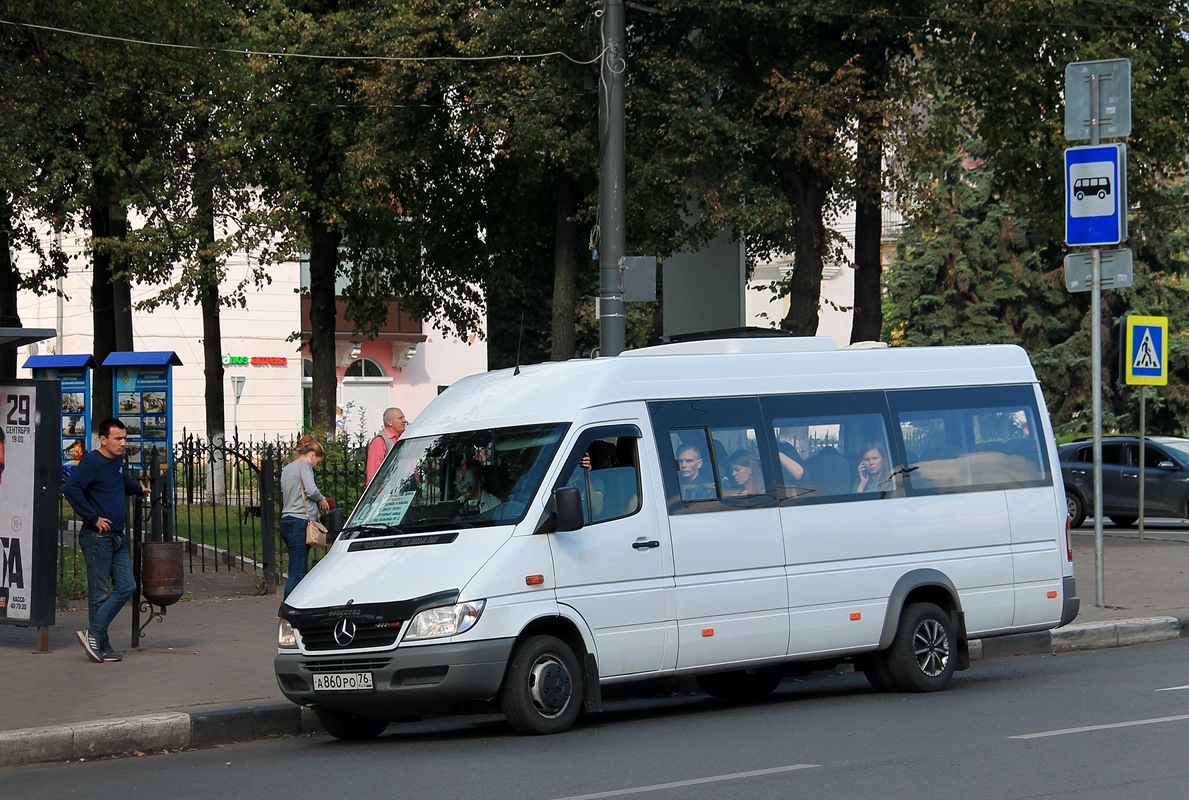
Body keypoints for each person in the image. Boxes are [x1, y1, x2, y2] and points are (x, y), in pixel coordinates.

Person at [62, 418, 151, 663]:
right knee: (99, 593)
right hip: (97, 537)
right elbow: (71, 489)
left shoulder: (117, 461)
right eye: (118, 439)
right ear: (103, 440)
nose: (123, 443)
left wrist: (137, 489)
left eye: (125, 438)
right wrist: (92, 518)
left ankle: (95, 635)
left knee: (127, 586)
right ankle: (100, 643)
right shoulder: (92, 462)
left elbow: (120, 480)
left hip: (118, 536)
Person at [280, 435, 330, 599]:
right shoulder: (304, 465)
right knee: (298, 572)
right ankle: (289, 609)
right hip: (299, 522)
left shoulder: (288, 468)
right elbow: (311, 489)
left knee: (297, 568)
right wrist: (321, 498)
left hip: (286, 521)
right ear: (312, 455)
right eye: (318, 462)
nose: (316, 466)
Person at [365, 407, 408, 483]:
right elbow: (373, 473)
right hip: (388, 491)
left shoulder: (403, 439)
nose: (404, 421)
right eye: (400, 418)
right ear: (390, 422)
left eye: (403, 418)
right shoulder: (380, 441)